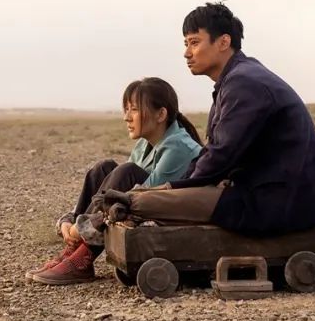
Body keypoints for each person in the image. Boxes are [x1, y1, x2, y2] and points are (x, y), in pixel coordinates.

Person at [100, 2, 315, 237]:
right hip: (263, 192)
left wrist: (172, 189)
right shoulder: (237, 79)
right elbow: (215, 154)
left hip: (274, 201)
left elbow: (220, 155)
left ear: (223, 42)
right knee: (140, 196)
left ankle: (84, 248)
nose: (187, 53)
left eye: (194, 42)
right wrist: (175, 187)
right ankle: (85, 239)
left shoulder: (244, 83)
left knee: (136, 202)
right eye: (186, 44)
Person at [27, 77, 202, 285]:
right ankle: (72, 249)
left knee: (126, 173)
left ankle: (82, 258)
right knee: (103, 169)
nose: (126, 117)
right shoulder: (144, 144)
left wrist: (83, 228)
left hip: (175, 213)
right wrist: (74, 222)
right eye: (126, 109)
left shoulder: (178, 147)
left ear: (161, 114)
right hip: (149, 205)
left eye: (134, 110)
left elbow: (143, 196)